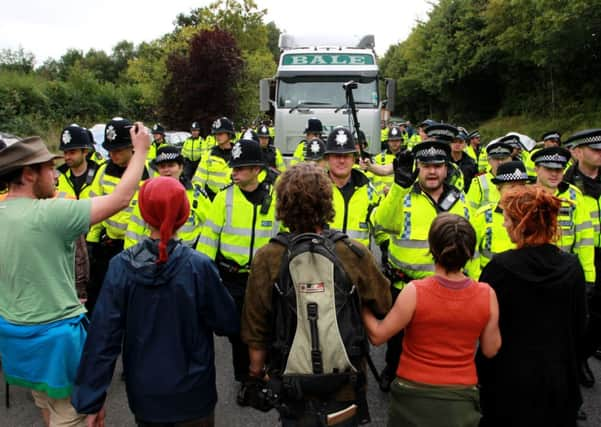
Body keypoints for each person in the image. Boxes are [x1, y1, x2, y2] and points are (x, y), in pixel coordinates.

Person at [0, 126, 150, 426]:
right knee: (73, 416)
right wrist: (142, 151)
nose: (55, 176)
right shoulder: (52, 213)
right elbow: (121, 198)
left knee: (44, 401)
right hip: (56, 344)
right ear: (29, 174)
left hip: (15, 339)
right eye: (48, 169)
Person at [71, 177, 238, 427]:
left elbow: (103, 338)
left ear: (143, 213)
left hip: (146, 395)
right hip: (194, 394)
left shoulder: (121, 267)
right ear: (184, 214)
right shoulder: (198, 267)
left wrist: (91, 400)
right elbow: (227, 322)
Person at [241, 163, 392, 426]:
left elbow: (256, 325)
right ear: (327, 201)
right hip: (347, 382)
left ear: (283, 205)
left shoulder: (268, 256)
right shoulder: (353, 252)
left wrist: (256, 371)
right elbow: (384, 303)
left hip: (291, 382)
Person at [363, 213, 501, 427]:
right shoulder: (487, 295)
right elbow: (491, 349)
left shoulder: (415, 292)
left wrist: (362, 303)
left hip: (412, 395)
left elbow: (378, 335)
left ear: (432, 249)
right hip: (460, 398)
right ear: (470, 251)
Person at [476, 185, 586, 427]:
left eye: (507, 219)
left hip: (507, 383)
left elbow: (483, 326)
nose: (503, 225)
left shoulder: (500, 268)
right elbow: (580, 329)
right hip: (558, 384)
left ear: (521, 223)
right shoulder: (572, 267)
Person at [373, 138, 474, 392]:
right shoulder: (403, 194)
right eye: (426, 165)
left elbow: (470, 239)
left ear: (446, 168)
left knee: (439, 338)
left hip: (445, 288)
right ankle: (392, 368)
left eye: (438, 165)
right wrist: (398, 186)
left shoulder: (458, 199)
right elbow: (382, 222)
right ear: (418, 167)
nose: (432, 171)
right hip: (404, 284)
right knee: (396, 339)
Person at [196, 137, 280, 404]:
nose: (234, 172)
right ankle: (245, 379)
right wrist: (204, 278)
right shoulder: (224, 198)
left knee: (267, 327)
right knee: (238, 333)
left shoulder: (275, 197)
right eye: (233, 168)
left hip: (265, 278)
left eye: (240, 168)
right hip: (232, 277)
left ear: (257, 169)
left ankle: (267, 373)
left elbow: (284, 236)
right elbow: (208, 240)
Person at [86, 117, 151, 315]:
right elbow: (94, 205)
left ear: (133, 147)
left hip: (139, 249)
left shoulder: (148, 174)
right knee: (102, 299)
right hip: (108, 246)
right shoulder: (103, 171)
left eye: (118, 150)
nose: (112, 154)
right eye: (110, 150)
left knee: (134, 303)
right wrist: (91, 241)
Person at [563, 129, 601, 373]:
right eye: (595, 150)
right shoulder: (565, 184)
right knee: (579, 317)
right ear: (577, 152)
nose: (600, 154)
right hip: (578, 256)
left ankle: (583, 353)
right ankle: (577, 360)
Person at [125, 145, 210, 249]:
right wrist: (132, 258)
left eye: (171, 165)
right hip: (153, 256)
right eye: (162, 166)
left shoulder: (196, 194)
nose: (166, 170)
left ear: (181, 167)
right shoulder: (148, 194)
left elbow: (209, 227)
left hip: (186, 256)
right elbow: (134, 228)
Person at [468, 161, 533, 277]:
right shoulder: (483, 216)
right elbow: (471, 254)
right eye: (511, 186)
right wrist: (480, 284)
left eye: (522, 185)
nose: (517, 191)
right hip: (490, 284)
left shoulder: (535, 216)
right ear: (499, 188)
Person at [324, 126, 382, 248]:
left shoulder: (369, 191)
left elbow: (381, 227)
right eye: (336, 155)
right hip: (323, 263)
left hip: (358, 264)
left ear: (354, 159)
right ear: (327, 159)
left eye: (346, 156)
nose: (341, 161)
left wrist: (386, 246)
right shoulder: (315, 190)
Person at [192, 117, 236, 200]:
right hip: (212, 199)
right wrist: (198, 195)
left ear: (229, 134)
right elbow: (199, 178)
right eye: (216, 134)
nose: (217, 136)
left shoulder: (238, 155)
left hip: (234, 200)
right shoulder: (208, 155)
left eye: (220, 134)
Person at [56, 124, 103, 200]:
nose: (67, 157)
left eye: (72, 152)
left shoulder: (99, 173)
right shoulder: (56, 177)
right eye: (65, 152)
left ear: (85, 152)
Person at [466, 140, 513, 210]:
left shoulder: (517, 181)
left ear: (510, 160)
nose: (500, 162)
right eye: (496, 159)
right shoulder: (478, 182)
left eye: (503, 159)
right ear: (489, 161)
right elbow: (470, 210)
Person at [372, 126, 405, 195]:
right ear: (388, 142)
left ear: (401, 141)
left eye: (397, 140)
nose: (394, 143)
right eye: (392, 140)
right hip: (383, 199)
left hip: (401, 199)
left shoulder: (407, 158)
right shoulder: (378, 158)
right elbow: (376, 181)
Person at [450, 128, 477, 193]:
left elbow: (475, 184)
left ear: (465, 144)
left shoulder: (471, 163)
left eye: (460, 142)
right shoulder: (443, 161)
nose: (457, 144)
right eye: (454, 141)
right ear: (449, 143)